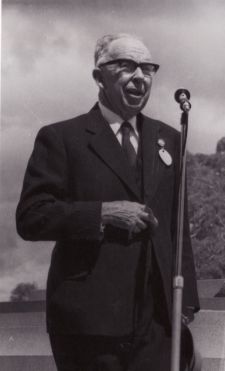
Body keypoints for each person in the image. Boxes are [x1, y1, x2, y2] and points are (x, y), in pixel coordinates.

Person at [16, 33, 199, 371]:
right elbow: (31, 216)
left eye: (147, 68)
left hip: (156, 323)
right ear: (99, 77)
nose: (140, 76)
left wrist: (186, 303)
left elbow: (178, 226)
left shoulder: (169, 139)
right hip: (88, 321)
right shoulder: (62, 138)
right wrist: (102, 213)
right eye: (127, 66)